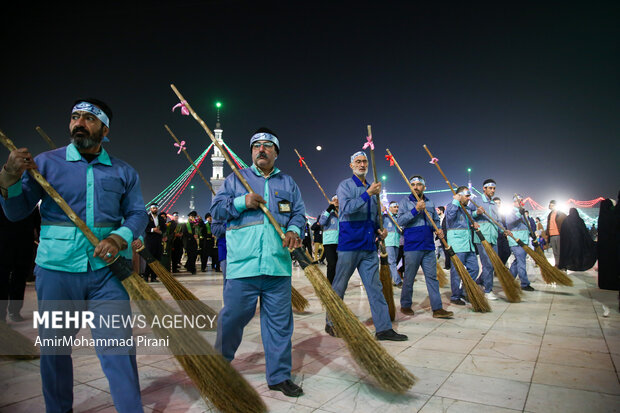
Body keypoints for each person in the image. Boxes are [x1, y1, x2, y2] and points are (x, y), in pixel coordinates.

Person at [0, 98, 147, 412]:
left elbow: (137, 214)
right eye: (74, 117)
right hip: (57, 271)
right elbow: (16, 212)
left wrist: (118, 238)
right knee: (55, 351)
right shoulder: (46, 164)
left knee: (118, 350)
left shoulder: (123, 171)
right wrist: (9, 178)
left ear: (104, 129)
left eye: (88, 119)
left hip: (107, 274)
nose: (79, 123)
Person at [211, 128, 306, 397]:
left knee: (279, 324)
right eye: (256, 146)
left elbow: (298, 214)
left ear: (276, 152)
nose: (261, 150)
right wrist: (242, 201)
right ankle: (218, 367)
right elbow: (217, 210)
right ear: (251, 152)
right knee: (232, 319)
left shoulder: (288, 183)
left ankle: (279, 376)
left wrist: (294, 231)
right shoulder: (236, 178)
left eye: (266, 146)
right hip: (243, 264)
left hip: (277, 265)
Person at [325, 151, 407, 341]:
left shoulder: (373, 187)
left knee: (375, 287)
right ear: (351, 165)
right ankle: (331, 322)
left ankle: (383, 328)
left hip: (369, 245)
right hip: (349, 244)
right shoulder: (345, 186)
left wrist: (380, 229)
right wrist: (367, 193)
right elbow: (347, 209)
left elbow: (374, 214)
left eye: (364, 162)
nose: (362, 164)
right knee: (339, 285)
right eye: (358, 162)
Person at [397, 176, 453, 318]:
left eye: (419, 184)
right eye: (413, 184)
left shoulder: (430, 202)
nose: (416, 187)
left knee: (432, 278)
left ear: (424, 187)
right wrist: (415, 210)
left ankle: (437, 308)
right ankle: (405, 304)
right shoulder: (405, 202)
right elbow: (400, 221)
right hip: (412, 246)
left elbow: (435, 220)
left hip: (428, 246)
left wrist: (438, 229)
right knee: (409, 278)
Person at [0, 206, 39, 322]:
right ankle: (3, 315)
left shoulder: (27, 197)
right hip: (6, 243)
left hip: (24, 242)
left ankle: (14, 311)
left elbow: (37, 220)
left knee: (19, 278)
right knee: (4, 279)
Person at [445, 186, 481, 305]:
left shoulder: (468, 209)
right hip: (457, 244)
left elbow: (469, 220)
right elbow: (450, 218)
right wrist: (456, 201)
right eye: (467, 196)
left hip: (468, 243)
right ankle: (455, 296)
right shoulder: (451, 205)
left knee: (474, 268)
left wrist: (474, 222)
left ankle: (466, 291)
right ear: (459, 196)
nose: (469, 198)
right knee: (456, 271)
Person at [472, 179, 501, 300]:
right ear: (484, 188)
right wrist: (476, 213)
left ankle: (480, 281)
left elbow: (498, 221)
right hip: (482, 236)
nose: (492, 191)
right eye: (490, 188)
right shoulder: (476, 200)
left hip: (493, 236)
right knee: (487, 264)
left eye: (494, 188)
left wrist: (503, 230)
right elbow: (468, 215)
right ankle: (488, 290)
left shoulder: (494, 204)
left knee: (493, 263)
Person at [505, 195, 535, 291]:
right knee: (521, 262)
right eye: (518, 201)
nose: (520, 202)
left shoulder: (522, 213)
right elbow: (509, 222)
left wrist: (531, 233)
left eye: (521, 200)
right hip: (516, 240)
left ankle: (508, 280)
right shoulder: (511, 211)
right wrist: (519, 214)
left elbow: (526, 225)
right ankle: (524, 283)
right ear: (514, 202)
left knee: (518, 261)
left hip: (524, 240)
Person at [597, 196, 620, 291]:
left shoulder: (602, 217)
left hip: (603, 247)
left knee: (604, 266)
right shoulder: (612, 216)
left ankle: (603, 282)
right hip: (612, 246)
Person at [318, 195, 339, 284]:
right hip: (329, 242)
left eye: (338, 200)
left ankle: (337, 284)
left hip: (341, 242)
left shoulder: (342, 212)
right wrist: (328, 209)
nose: (337, 201)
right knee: (332, 264)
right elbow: (321, 222)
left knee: (339, 265)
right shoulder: (326, 213)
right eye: (335, 200)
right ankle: (330, 284)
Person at [143, 203, 166, 282]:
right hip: (150, 241)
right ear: (150, 209)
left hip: (158, 241)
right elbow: (144, 228)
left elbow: (164, 228)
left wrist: (161, 232)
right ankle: (146, 276)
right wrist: (153, 230)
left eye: (156, 208)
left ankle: (154, 277)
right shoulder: (147, 218)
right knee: (149, 259)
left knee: (157, 259)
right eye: (153, 208)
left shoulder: (161, 218)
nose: (154, 209)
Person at [384, 201, 402, 288]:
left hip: (396, 242)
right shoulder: (385, 216)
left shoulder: (399, 218)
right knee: (392, 262)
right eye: (394, 207)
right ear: (390, 208)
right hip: (388, 242)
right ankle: (398, 281)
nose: (396, 209)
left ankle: (388, 280)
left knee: (392, 263)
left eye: (397, 207)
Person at [545, 200, 567, 267]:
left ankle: (562, 264)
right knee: (555, 252)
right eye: (550, 205)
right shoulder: (549, 215)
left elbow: (566, 222)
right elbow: (548, 225)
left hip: (558, 235)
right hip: (551, 235)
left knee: (560, 251)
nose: (550, 206)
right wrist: (547, 234)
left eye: (552, 205)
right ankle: (557, 264)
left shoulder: (561, 214)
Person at [494, 197, 511, 264]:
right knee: (499, 253)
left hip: (503, 235)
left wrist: (506, 231)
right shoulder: (492, 213)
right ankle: (498, 268)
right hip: (495, 236)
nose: (498, 204)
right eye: (496, 203)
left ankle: (501, 266)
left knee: (507, 252)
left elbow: (505, 223)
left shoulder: (503, 214)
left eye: (499, 203)